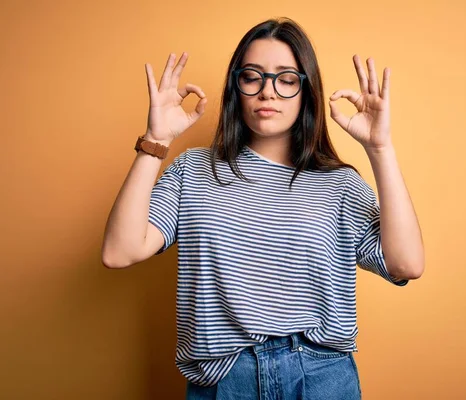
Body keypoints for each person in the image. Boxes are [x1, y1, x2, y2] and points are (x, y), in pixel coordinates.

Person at [102, 17, 424, 400]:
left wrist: (380, 150)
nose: (268, 92)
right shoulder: (192, 170)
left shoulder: (338, 184)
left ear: (307, 92)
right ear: (236, 87)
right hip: (224, 380)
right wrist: (155, 141)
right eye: (252, 76)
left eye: (286, 79)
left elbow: (407, 264)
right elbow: (119, 252)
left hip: (321, 376)